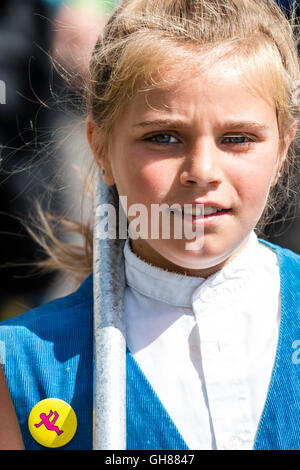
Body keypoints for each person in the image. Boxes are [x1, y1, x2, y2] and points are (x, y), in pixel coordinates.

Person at [0, 0, 299, 450]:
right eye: (163, 137)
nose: (202, 170)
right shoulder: (24, 364)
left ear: (282, 150)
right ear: (99, 148)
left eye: (237, 138)